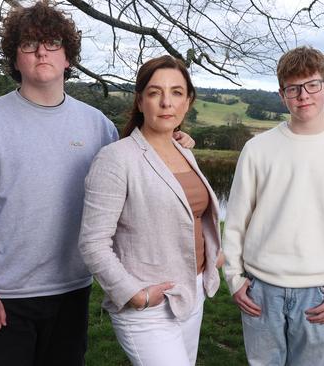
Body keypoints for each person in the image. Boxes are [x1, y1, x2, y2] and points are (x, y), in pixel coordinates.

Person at [0, 2, 193, 365]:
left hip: (73, 291)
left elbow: (138, 167)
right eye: (28, 44)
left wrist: (174, 141)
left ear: (68, 58)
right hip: (5, 295)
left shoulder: (97, 126)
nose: (41, 51)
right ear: (14, 59)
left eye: (52, 43)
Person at [221, 46, 324, 365]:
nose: (303, 95)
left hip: (319, 292)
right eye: (293, 88)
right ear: (282, 94)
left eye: (312, 85)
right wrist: (235, 279)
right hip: (261, 288)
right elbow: (235, 223)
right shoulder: (257, 150)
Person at [77, 55, 222, 366]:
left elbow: (190, 213)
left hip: (191, 292)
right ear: (140, 101)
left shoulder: (183, 149)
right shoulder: (116, 158)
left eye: (177, 93)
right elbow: (92, 243)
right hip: (149, 303)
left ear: (188, 102)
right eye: (155, 93)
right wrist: (134, 294)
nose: (166, 102)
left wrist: (213, 254)